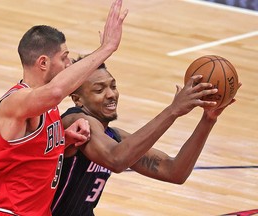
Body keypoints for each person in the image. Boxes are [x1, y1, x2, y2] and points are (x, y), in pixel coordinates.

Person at [0, 1, 128, 215]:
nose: (69, 65)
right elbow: (57, 91)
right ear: (43, 63)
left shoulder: (48, 108)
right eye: (64, 58)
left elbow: (30, 153)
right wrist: (107, 48)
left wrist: (64, 139)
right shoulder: (16, 101)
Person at [51, 56, 239, 216]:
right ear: (78, 99)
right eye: (99, 90)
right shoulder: (76, 121)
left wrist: (208, 119)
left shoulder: (114, 137)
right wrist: (173, 110)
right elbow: (115, 159)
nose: (111, 94)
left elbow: (174, 171)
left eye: (113, 86)